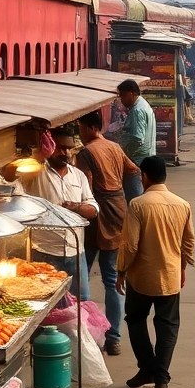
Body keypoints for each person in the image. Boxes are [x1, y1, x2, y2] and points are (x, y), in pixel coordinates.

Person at [116, 156, 195, 388]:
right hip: (170, 276)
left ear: (145, 176)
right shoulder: (182, 204)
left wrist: (121, 271)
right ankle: (159, 377)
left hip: (141, 277)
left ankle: (148, 368)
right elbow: (188, 242)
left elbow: (130, 245)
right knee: (167, 326)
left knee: (136, 319)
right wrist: (181, 268)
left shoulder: (138, 205)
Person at [75, 111, 140, 355]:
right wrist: (133, 201)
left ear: (91, 128)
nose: (80, 133)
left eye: (81, 128)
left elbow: (86, 188)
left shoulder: (86, 153)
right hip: (118, 211)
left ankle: (85, 335)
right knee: (112, 280)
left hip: (96, 215)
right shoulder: (114, 146)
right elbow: (133, 170)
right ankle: (114, 337)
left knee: (81, 280)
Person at [17, 129, 98, 300]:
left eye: (69, 148)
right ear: (50, 147)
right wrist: (37, 157)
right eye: (61, 148)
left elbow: (93, 209)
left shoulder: (78, 176)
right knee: (48, 303)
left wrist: (75, 207)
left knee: (81, 302)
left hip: (76, 252)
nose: (66, 153)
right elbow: (10, 177)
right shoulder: (35, 172)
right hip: (44, 252)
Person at [117, 79, 155, 201]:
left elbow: (138, 139)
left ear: (131, 93)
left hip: (137, 160)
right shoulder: (144, 105)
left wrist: (125, 155)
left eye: (123, 96)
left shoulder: (137, 110)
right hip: (145, 157)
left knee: (135, 198)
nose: (121, 100)